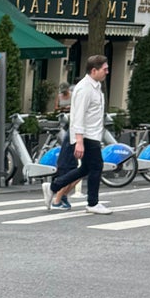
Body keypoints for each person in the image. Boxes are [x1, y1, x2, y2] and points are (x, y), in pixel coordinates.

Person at [45, 55, 112, 213]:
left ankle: (53, 186)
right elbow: (78, 116)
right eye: (105, 69)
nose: (107, 72)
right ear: (94, 70)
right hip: (87, 135)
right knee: (96, 167)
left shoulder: (95, 86)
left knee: (86, 169)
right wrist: (79, 141)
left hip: (93, 134)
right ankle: (93, 203)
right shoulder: (84, 88)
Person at [42, 82, 76, 210]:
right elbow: (56, 107)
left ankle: (58, 194)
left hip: (75, 132)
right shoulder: (62, 96)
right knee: (79, 170)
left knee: (83, 169)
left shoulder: (74, 96)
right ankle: (57, 195)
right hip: (73, 132)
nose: (63, 94)